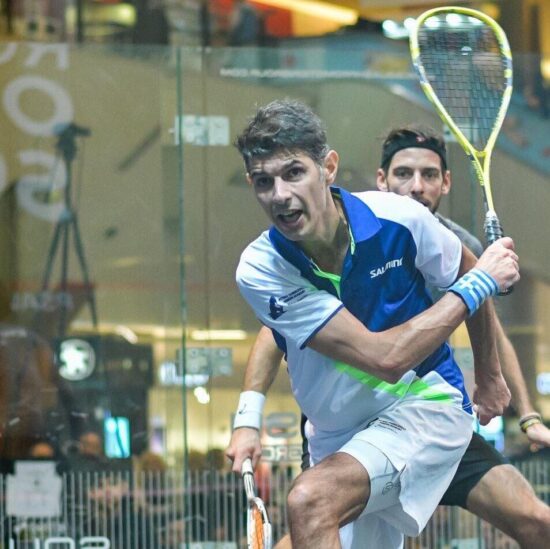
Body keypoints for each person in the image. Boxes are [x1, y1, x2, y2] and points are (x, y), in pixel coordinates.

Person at [229, 122, 550, 549]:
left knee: (311, 500)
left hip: (423, 406)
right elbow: (291, 340)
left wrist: (511, 399)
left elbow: (472, 281)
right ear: (383, 178)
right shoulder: (263, 267)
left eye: (294, 173)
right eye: (264, 181)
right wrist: (247, 420)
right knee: (312, 517)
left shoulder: (408, 222)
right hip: (341, 431)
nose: (280, 194)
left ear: (328, 168)